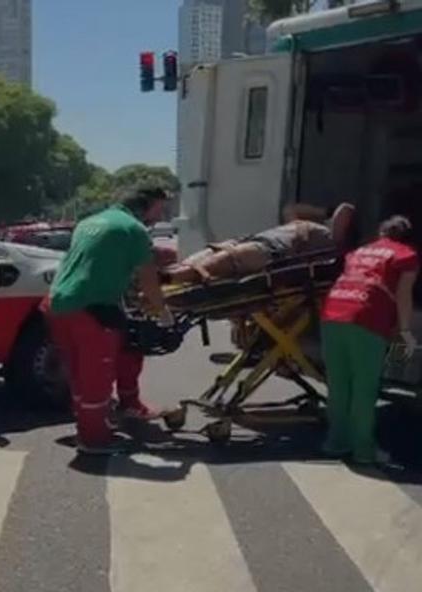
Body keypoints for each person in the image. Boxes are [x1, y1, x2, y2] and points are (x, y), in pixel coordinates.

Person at [42, 186, 174, 455]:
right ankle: (93, 439)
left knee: (79, 373)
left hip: (56, 303)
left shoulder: (89, 223)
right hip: (90, 309)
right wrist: (162, 311)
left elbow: (96, 258)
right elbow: (148, 277)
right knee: (96, 377)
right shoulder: (133, 229)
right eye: (159, 210)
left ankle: (93, 423)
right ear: (146, 205)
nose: (159, 217)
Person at [320, 215, 418, 464]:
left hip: (332, 314)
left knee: (338, 384)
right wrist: (405, 332)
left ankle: (336, 442)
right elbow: (403, 295)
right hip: (365, 317)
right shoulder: (406, 255)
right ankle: (364, 450)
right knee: (364, 388)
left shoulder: (359, 252)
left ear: (381, 233)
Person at [163, 203, 356, 285]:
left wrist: (325, 219)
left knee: (221, 260)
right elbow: (290, 208)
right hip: (256, 240)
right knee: (206, 255)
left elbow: (346, 209)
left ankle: (165, 278)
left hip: (272, 250)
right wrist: (324, 212)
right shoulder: (303, 224)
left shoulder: (331, 242)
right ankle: (166, 275)